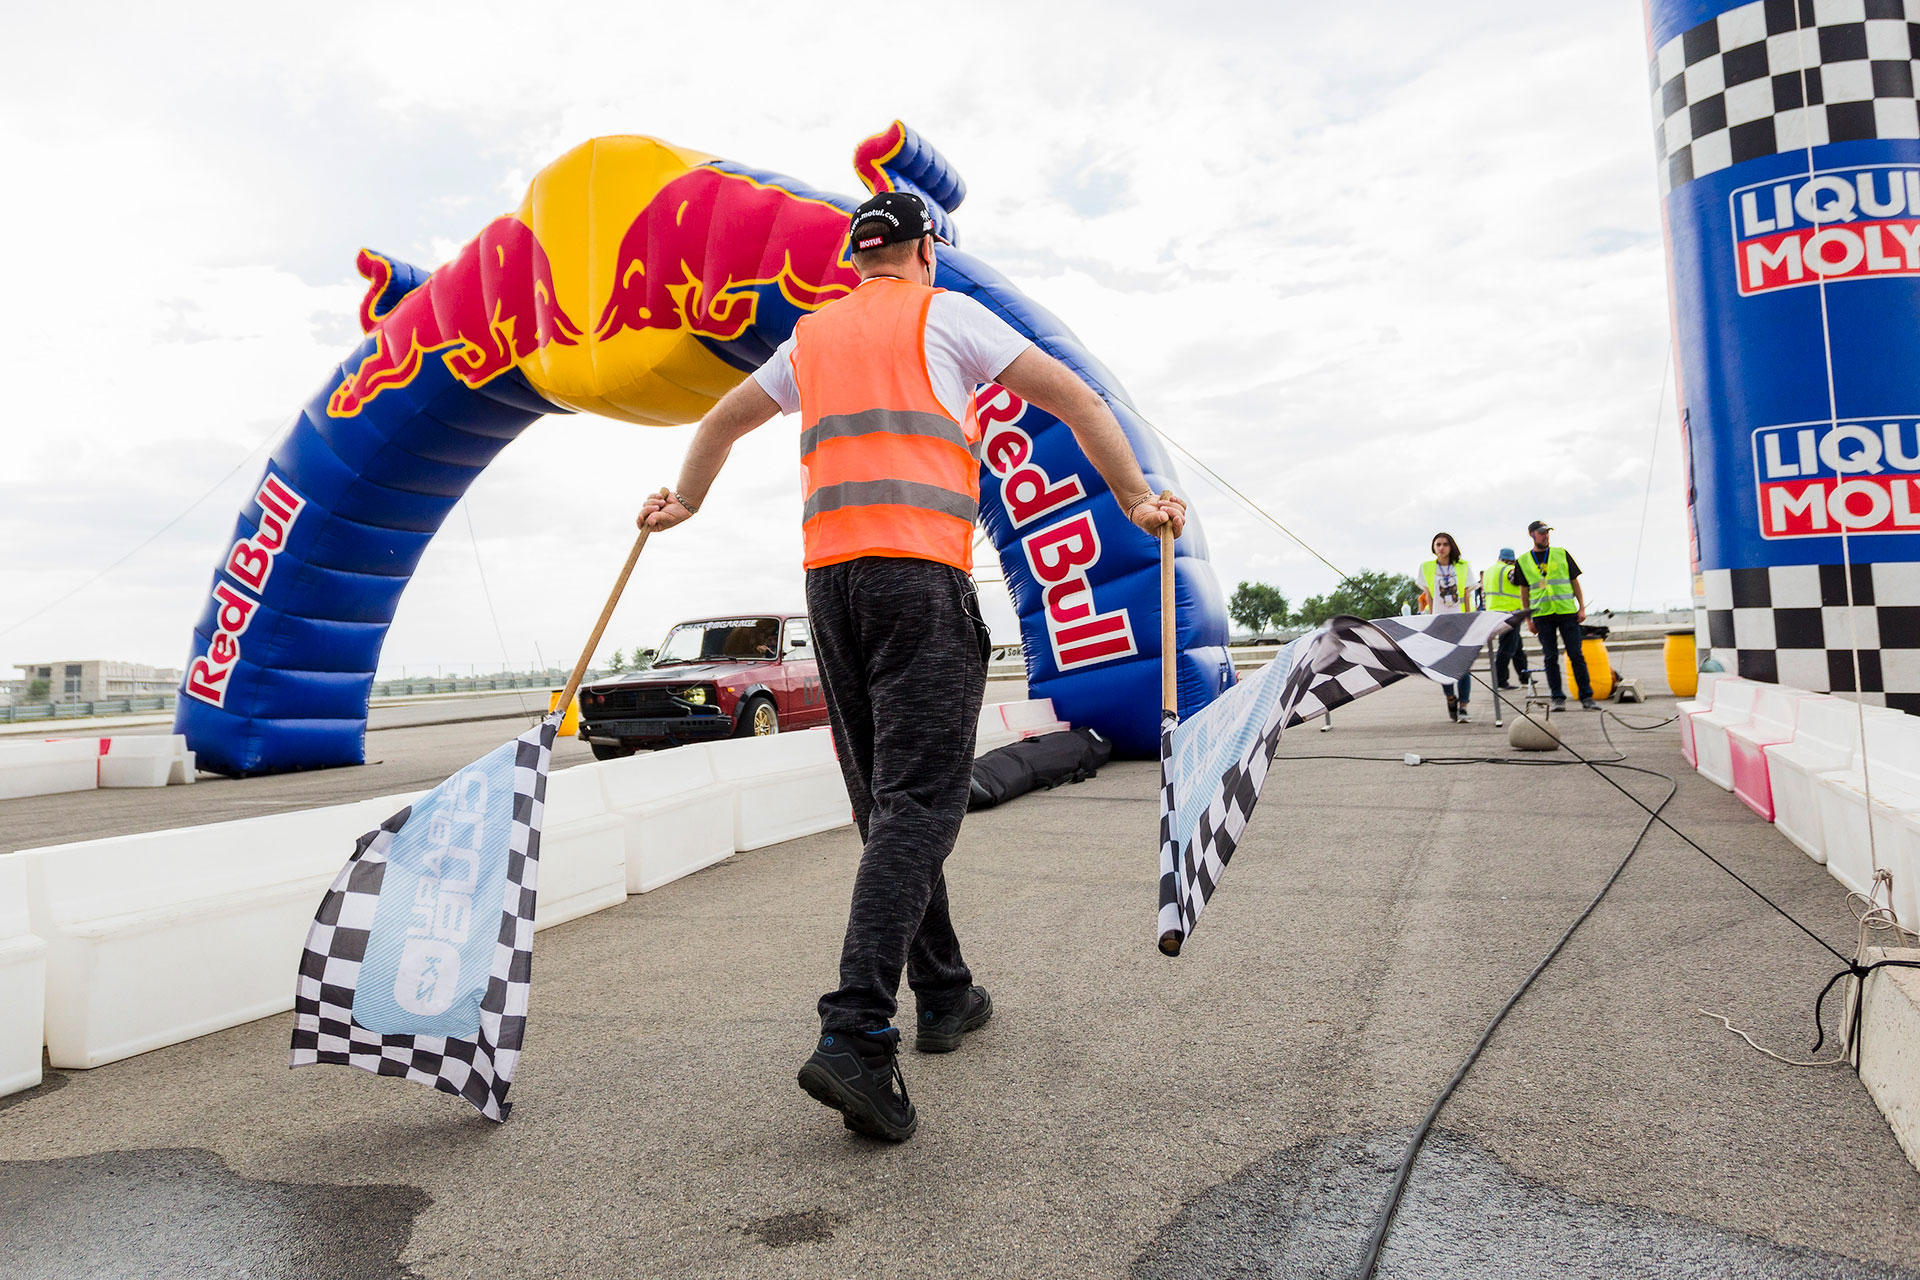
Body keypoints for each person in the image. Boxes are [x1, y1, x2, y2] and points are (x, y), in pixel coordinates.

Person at [635, 190, 1186, 1143]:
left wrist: (684, 501)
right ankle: (855, 1034)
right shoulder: (950, 313)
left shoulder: (810, 338)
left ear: (859, 256)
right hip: (917, 581)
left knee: (886, 804)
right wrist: (1137, 499)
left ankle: (944, 992)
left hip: (829, 591)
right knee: (922, 806)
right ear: (927, 249)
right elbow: (1079, 398)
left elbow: (720, 421)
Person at [1509, 520, 1594, 710]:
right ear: (1532, 535)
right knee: (1550, 657)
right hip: (1542, 615)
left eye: (1547, 532)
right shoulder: (1523, 561)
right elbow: (1524, 591)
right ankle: (1557, 697)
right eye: (1541, 533)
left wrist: (1581, 608)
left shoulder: (1561, 554)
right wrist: (1528, 619)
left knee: (1576, 654)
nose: (1545, 535)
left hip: (1566, 612)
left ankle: (1586, 696)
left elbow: (1574, 582)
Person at [1417, 533, 1474, 722]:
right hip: (1440, 623)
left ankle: (1464, 707)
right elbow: (1428, 597)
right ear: (1433, 547)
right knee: (1444, 665)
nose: (1441, 548)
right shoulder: (1426, 568)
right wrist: (1430, 621)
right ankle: (1450, 697)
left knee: (1463, 666)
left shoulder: (1463, 566)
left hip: (1460, 621)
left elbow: (1466, 594)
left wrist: (1468, 619)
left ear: (1451, 547)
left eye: (1445, 544)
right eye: (1438, 544)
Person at [1481, 547, 1532, 689]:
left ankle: (1524, 677)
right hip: (1509, 614)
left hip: (1495, 613)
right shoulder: (1509, 570)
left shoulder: (1490, 571)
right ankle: (1500, 680)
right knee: (1507, 648)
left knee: (1517, 647)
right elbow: (1522, 582)